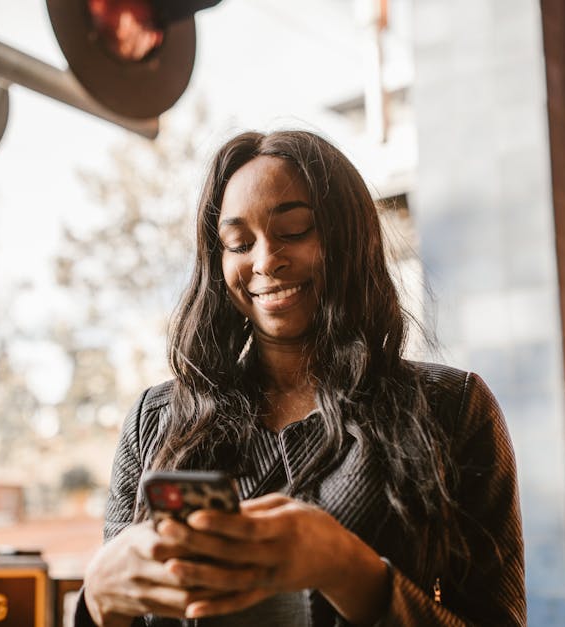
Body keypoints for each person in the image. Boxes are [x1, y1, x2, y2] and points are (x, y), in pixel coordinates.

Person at [76, 130, 525, 626]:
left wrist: (347, 568)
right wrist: (97, 601)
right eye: (239, 243)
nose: (266, 260)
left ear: (349, 238)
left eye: (293, 231)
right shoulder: (155, 420)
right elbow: (117, 604)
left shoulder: (450, 407)